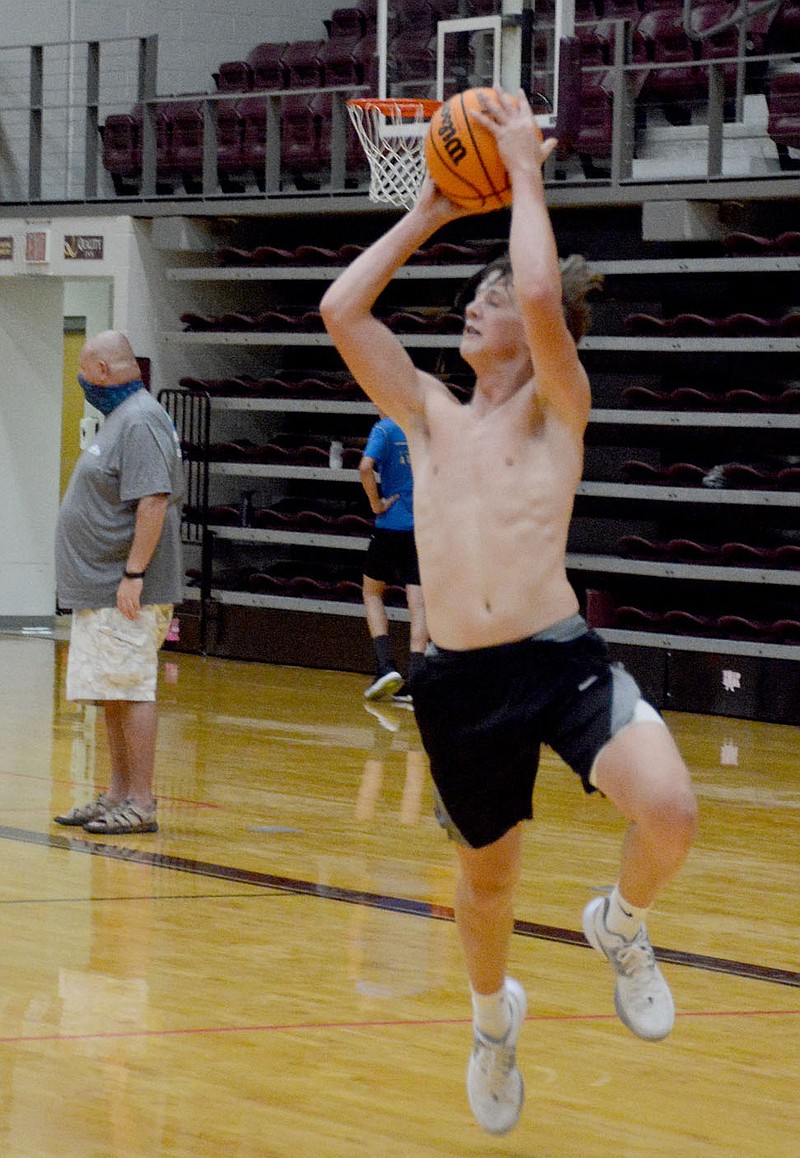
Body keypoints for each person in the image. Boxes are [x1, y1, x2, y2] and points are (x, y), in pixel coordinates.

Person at [321, 90, 698, 1136]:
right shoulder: (428, 418)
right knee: (483, 891)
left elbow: (540, 294)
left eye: (492, 296)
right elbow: (340, 313)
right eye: (475, 295)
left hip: (558, 657)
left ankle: (619, 927)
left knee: (666, 810)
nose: (478, 306)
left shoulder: (557, 406)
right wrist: (432, 212)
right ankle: (493, 1026)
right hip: (458, 680)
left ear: (537, 340)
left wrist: (523, 170)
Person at [53, 330, 184, 836]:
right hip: (103, 589)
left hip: (125, 589)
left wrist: (133, 574)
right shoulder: (121, 419)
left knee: (130, 688)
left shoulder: (141, 419)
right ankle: (117, 794)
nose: (83, 381)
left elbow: (153, 499)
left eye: (84, 372)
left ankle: (142, 802)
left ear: (103, 371)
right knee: (112, 690)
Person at [359, 412, 427, 702]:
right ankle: (417, 681)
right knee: (419, 605)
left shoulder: (384, 430)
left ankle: (386, 665)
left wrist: (376, 504)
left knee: (373, 593)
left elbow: (365, 467)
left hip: (389, 529)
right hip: (421, 529)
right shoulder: (422, 426)